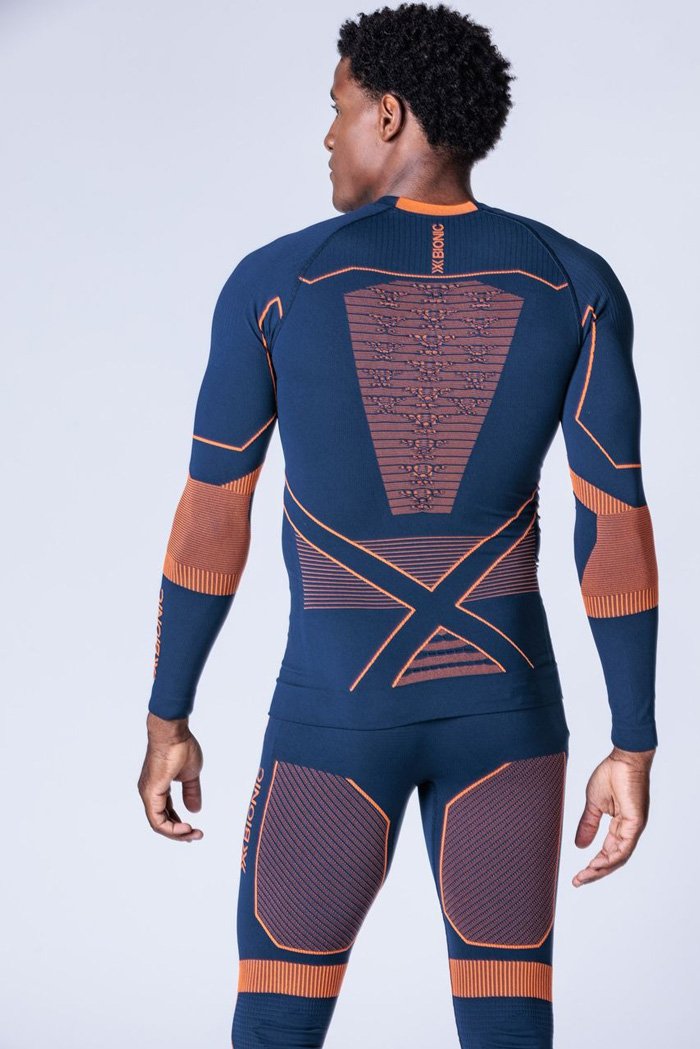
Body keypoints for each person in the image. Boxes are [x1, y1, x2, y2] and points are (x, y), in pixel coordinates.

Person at [137, 4, 659, 1046]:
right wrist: (632, 741)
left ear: (388, 113)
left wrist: (167, 718)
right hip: (508, 716)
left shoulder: (277, 282)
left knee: (276, 1023)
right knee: (508, 1027)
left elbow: (213, 516)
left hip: (334, 717)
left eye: (337, 109)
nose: (327, 135)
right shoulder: (573, 281)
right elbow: (615, 521)